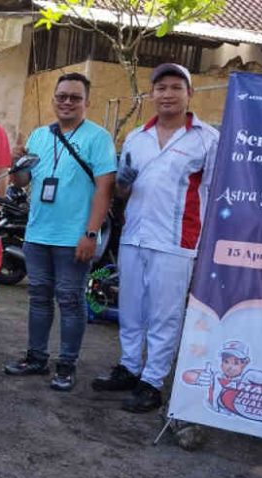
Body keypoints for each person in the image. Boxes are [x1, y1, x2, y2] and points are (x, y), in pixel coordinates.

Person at [93, 63, 220, 413]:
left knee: (165, 316)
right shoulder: (137, 137)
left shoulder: (208, 139)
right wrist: (123, 182)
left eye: (175, 87)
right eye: (160, 88)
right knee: (132, 310)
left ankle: (152, 382)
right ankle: (130, 368)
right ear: (152, 95)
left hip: (176, 241)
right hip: (134, 236)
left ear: (189, 94)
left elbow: (214, 192)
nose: (167, 94)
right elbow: (122, 191)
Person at [3, 73, 116, 391]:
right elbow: (24, 182)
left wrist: (90, 234)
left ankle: (66, 364)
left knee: (70, 299)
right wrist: (17, 165)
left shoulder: (98, 137)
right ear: (53, 99)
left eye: (74, 97)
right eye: (62, 96)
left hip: (74, 237)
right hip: (38, 233)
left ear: (86, 102)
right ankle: (36, 357)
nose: (67, 102)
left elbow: (104, 189)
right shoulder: (39, 136)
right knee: (38, 297)